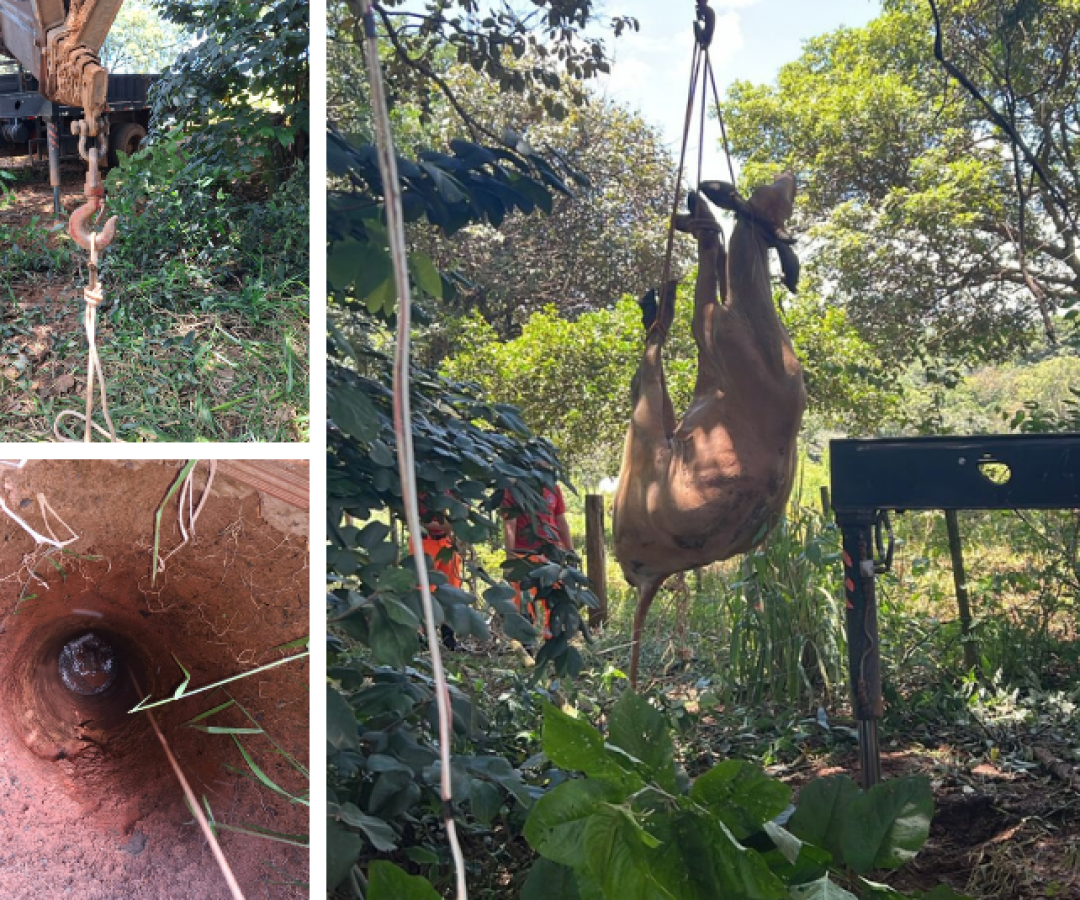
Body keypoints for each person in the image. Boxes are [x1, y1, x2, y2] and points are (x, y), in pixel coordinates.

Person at [501, 481, 574, 638]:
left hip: (551, 553)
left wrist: (570, 550)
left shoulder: (553, 488)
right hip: (524, 554)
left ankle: (552, 636)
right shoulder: (513, 489)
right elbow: (510, 524)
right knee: (523, 602)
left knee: (554, 597)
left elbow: (561, 520)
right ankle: (525, 640)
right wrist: (510, 558)